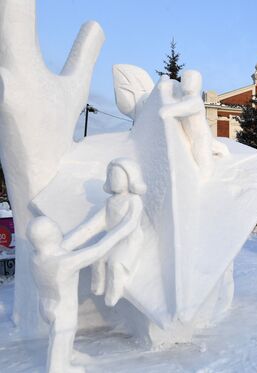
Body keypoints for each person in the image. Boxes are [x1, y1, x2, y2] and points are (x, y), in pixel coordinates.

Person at [28, 215, 133, 373]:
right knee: (62, 333)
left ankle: (67, 354)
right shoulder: (65, 262)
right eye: (54, 227)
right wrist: (124, 228)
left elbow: (66, 246)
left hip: (46, 305)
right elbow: (98, 250)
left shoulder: (36, 258)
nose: (58, 229)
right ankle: (58, 367)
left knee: (61, 335)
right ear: (52, 235)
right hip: (63, 309)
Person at [63, 158, 146, 307]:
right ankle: (98, 286)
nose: (114, 181)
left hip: (129, 241)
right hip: (111, 240)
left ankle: (114, 293)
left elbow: (129, 224)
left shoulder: (134, 200)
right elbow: (92, 226)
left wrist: (105, 242)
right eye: (111, 176)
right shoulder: (110, 202)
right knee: (98, 258)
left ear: (130, 179)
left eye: (118, 177)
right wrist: (66, 244)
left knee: (115, 264)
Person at [158, 70, 229, 180]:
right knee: (214, 150)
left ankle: (206, 184)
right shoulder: (183, 99)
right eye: (185, 79)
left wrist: (166, 111)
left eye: (191, 79)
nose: (187, 82)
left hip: (200, 138)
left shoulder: (195, 101)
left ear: (198, 84)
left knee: (203, 160)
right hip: (192, 139)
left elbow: (182, 108)